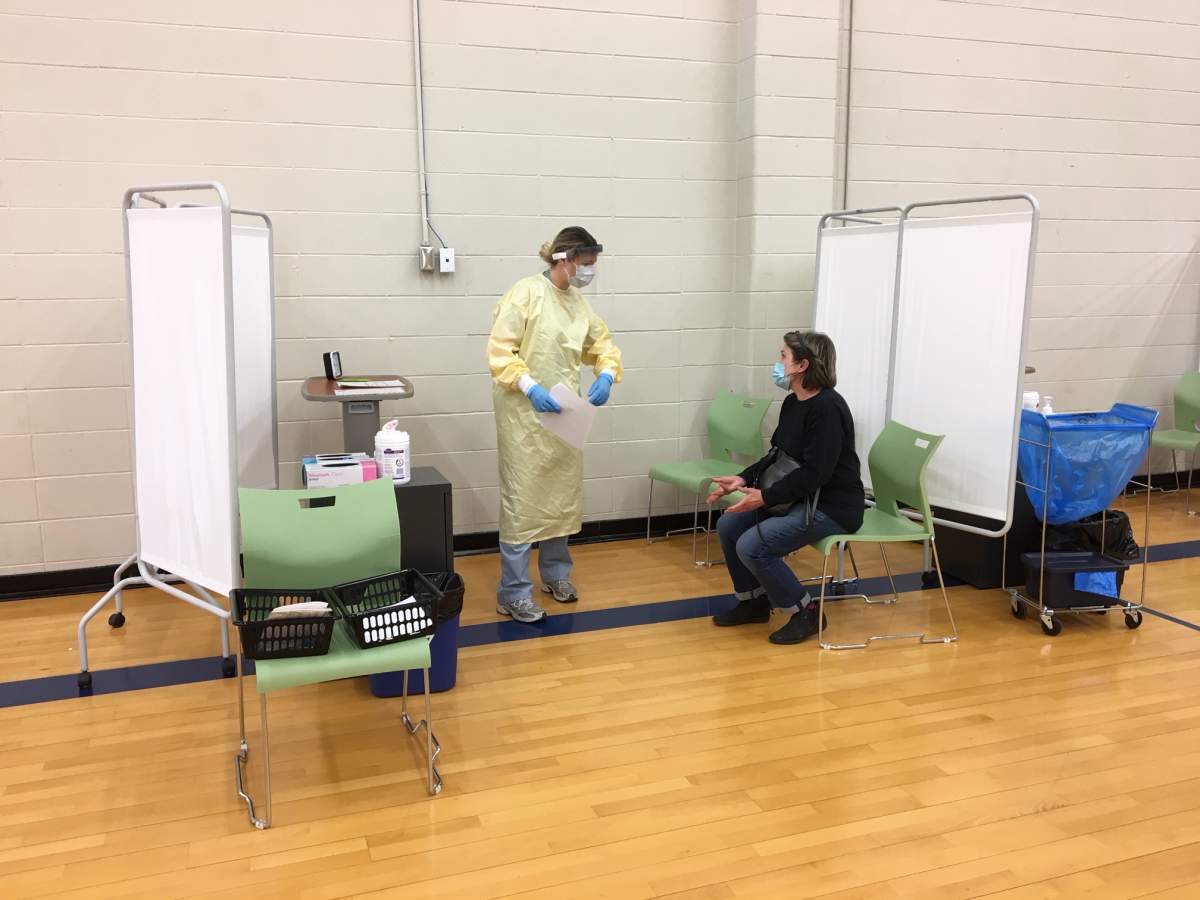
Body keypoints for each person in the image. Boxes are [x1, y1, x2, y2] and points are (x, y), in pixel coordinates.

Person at [486, 226, 623, 623]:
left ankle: (555, 575)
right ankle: (512, 593)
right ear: (564, 258)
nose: (588, 272)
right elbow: (500, 349)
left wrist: (606, 374)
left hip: (563, 414)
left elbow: (602, 345)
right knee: (522, 501)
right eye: (586, 264)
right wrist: (528, 385)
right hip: (523, 416)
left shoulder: (577, 303)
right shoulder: (525, 293)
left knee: (560, 496)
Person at [707, 331, 864, 645]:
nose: (778, 363)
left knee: (752, 545)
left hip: (830, 506)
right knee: (728, 526)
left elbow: (815, 474)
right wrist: (743, 478)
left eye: (783, 357)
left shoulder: (828, 409)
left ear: (801, 365)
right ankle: (754, 602)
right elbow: (777, 454)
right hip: (798, 499)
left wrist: (765, 497)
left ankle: (806, 611)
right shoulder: (793, 402)